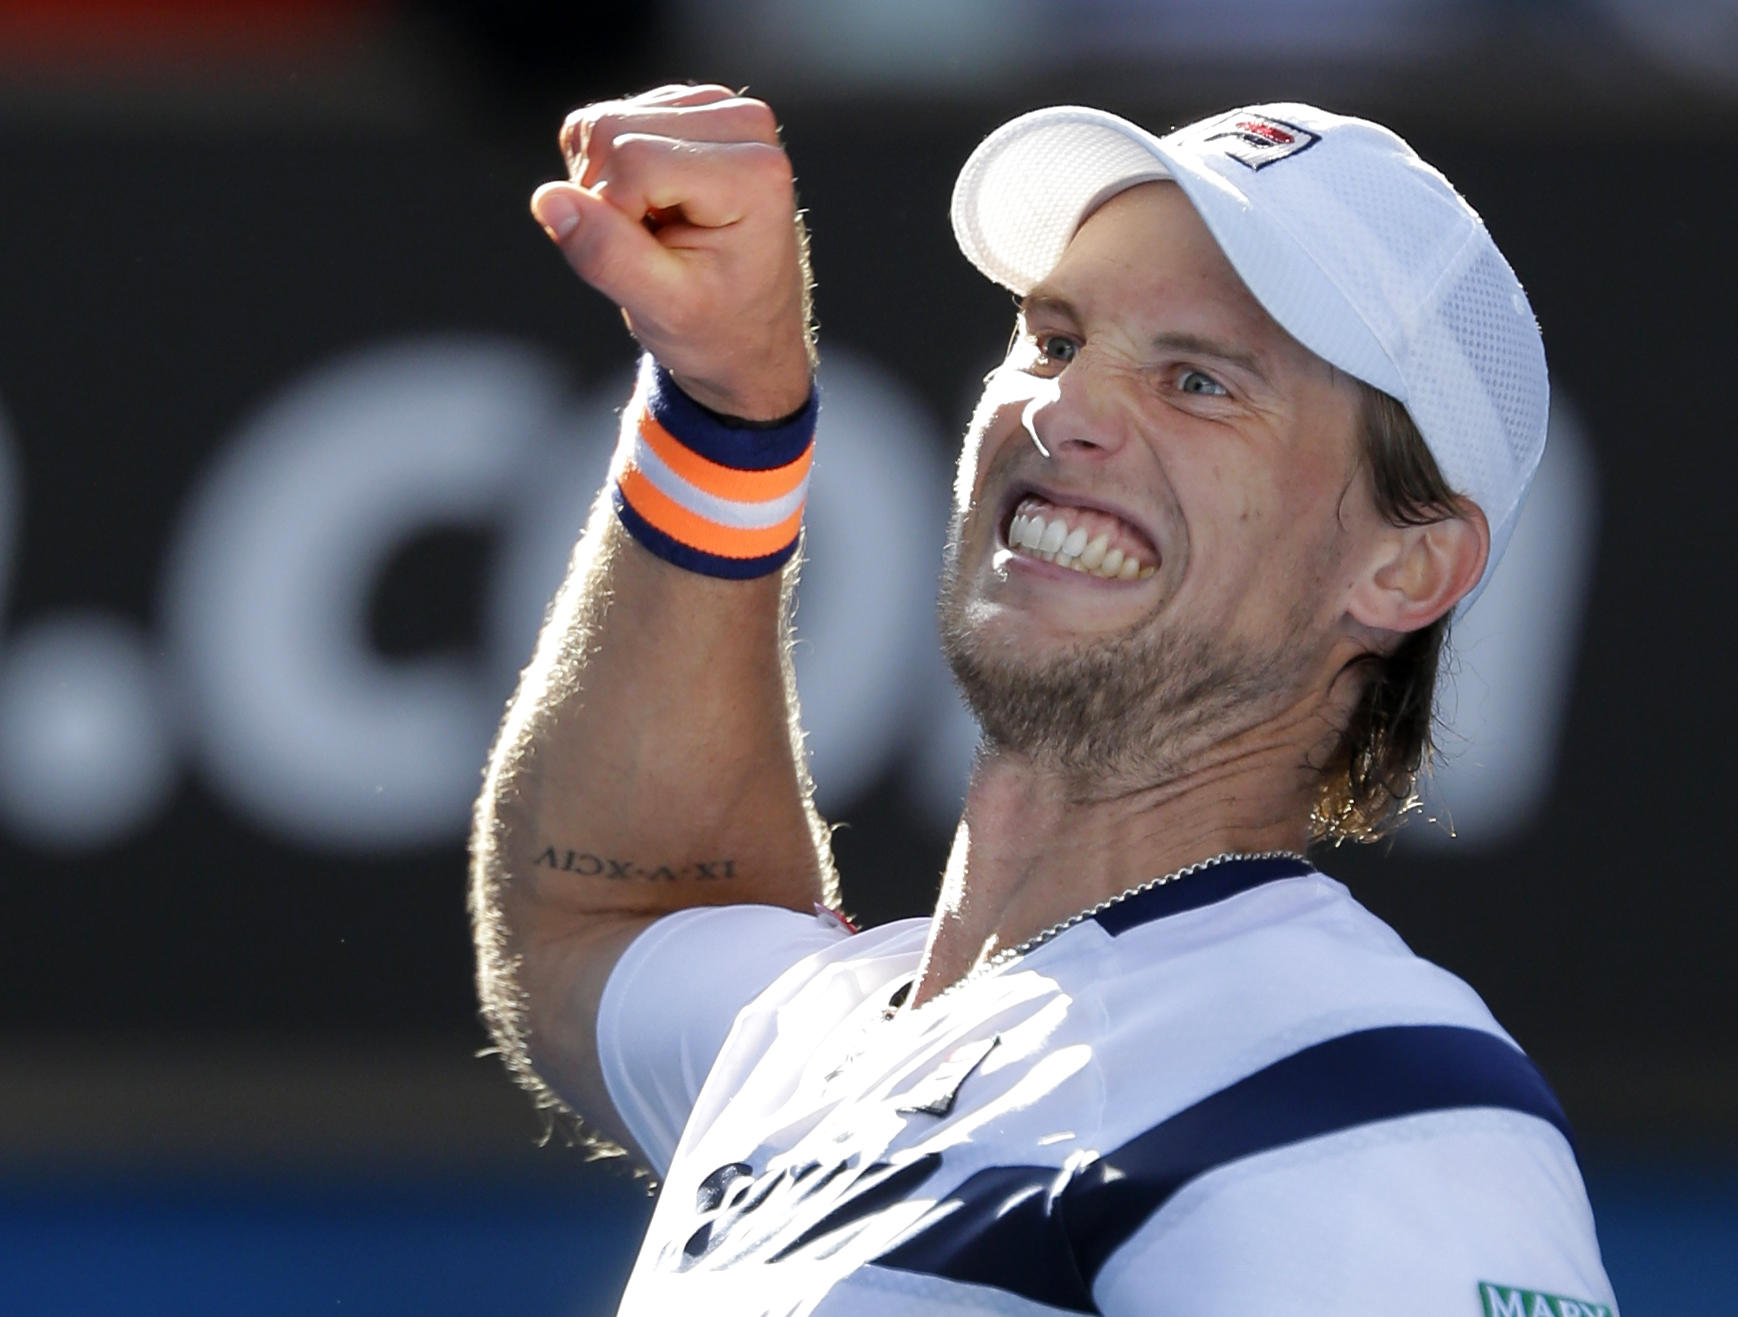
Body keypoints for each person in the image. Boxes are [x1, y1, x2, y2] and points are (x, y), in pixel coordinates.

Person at [470, 84, 1617, 1316]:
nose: (1063, 409)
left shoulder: (1372, 1105)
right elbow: (600, 909)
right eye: (1057, 341)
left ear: (1406, 567)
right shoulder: (820, 1033)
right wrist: (724, 411)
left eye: (1198, 383)